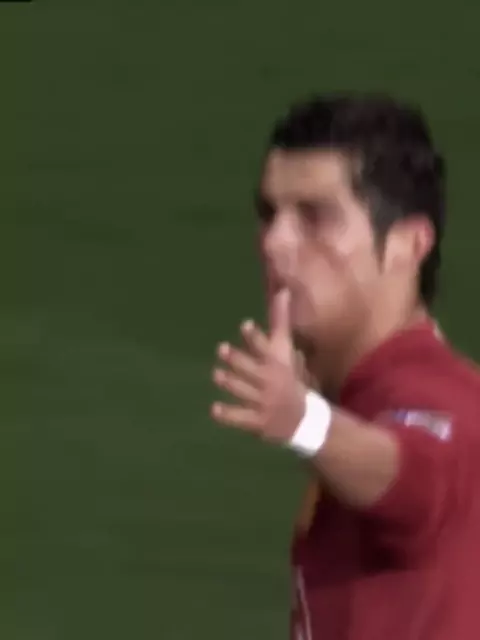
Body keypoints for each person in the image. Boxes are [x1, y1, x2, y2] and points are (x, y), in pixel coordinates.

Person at [210, 94, 480, 640]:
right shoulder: (363, 400)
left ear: (409, 244)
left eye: (315, 217)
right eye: (269, 214)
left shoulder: (442, 395)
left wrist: (303, 420)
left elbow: (414, 482)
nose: (275, 243)